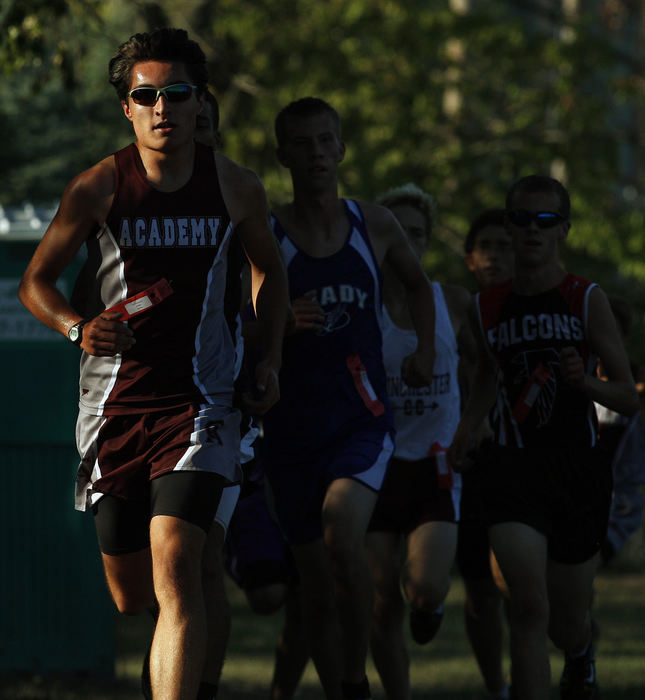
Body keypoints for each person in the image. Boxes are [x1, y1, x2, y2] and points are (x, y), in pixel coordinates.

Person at [18, 27, 289, 700]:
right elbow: (36, 283)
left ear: (201, 102)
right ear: (127, 108)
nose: (163, 108)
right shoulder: (98, 187)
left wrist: (268, 354)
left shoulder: (235, 188)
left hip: (201, 403)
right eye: (147, 95)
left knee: (179, 564)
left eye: (178, 93)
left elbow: (270, 273)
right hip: (115, 407)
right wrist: (78, 327)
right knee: (131, 594)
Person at [262, 97, 436, 700]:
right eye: (302, 144)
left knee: (342, 532)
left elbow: (417, 285)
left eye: (325, 141)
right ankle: (340, 686)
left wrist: (426, 349)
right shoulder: (265, 233)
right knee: (315, 583)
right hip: (288, 430)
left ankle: (358, 679)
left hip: (361, 419)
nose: (315, 153)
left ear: (341, 148)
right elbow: (238, 319)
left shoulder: (374, 223)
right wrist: (278, 324)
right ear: (283, 155)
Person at [449, 175, 638, 700]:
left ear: (564, 230)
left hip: (578, 469)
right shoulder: (485, 306)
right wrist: (470, 422)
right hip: (512, 467)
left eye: (545, 220)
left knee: (565, 622)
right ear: (508, 226)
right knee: (528, 608)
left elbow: (628, 395)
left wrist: (588, 382)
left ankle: (580, 655)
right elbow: (488, 373)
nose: (532, 231)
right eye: (522, 219)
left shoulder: (585, 299)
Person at [195, 88, 310, 700]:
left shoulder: (239, 201)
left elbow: (271, 280)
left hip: (223, 405)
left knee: (199, 561)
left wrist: (270, 349)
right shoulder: (130, 200)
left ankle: (197, 687)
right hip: (145, 403)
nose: (196, 132)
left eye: (207, 123)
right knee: (147, 581)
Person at [364, 183, 470, 700]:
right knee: (381, 603)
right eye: (397, 232)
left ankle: (431, 606)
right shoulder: (362, 308)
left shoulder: (451, 301)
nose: (408, 241)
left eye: (418, 233)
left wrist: (477, 423)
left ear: (428, 241)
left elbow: (490, 369)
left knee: (423, 587)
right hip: (378, 463)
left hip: (436, 463)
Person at [457, 208, 514, 700]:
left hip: (524, 459)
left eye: (505, 246)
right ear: (469, 258)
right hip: (469, 461)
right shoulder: (456, 312)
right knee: (479, 588)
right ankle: (497, 684)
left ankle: (575, 646)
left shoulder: (545, 310)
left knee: (520, 581)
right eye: (486, 247)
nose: (495, 255)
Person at [596, 297, 645, 564]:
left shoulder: (643, 383)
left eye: (610, 332)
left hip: (618, 504)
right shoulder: (577, 381)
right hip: (579, 492)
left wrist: (639, 394)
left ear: (623, 338)